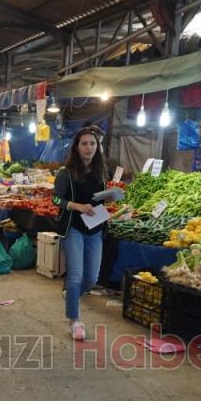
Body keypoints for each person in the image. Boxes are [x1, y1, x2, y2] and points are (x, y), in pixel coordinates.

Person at [52, 126, 115, 341]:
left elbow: (97, 198)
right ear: (77, 148)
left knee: (91, 278)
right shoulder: (65, 173)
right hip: (74, 229)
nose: (89, 147)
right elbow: (54, 199)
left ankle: (71, 295)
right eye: (84, 144)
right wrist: (76, 206)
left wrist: (109, 199)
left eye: (93, 144)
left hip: (95, 228)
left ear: (98, 147)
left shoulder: (101, 172)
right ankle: (74, 320)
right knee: (76, 275)